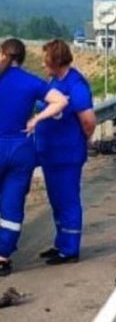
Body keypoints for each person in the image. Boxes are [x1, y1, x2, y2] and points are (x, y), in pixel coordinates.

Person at [0, 38, 68, 276]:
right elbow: (61, 101)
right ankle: (3, 256)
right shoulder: (31, 82)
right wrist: (36, 119)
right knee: (12, 203)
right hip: (21, 149)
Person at [35, 39, 96, 265]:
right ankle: (61, 243)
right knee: (56, 199)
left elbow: (88, 120)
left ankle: (70, 249)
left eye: (45, 60)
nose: (42, 65)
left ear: (55, 60)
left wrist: (82, 139)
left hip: (67, 153)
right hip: (50, 153)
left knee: (68, 199)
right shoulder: (54, 81)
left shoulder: (76, 84)